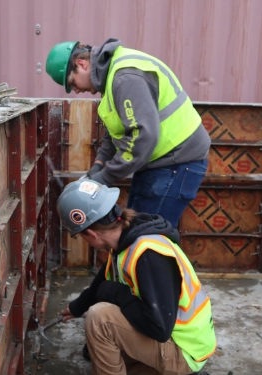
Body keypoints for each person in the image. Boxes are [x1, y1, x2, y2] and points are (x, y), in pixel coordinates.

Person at [56, 179, 216, 375]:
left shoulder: (148, 254)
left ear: (91, 233)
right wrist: (78, 306)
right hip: (178, 338)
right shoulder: (126, 238)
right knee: (98, 344)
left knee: (100, 319)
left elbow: (159, 329)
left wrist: (113, 292)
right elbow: (103, 279)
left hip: (185, 350)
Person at [46, 38, 211, 228]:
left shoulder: (125, 77)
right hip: (159, 162)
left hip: (178, 162)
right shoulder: (110, 79)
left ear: (81, 64)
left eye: (72, 83)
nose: (76, 91)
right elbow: (115, 131)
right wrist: (99, 164)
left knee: (147, 236)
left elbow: (143, 137)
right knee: (136, 230)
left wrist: (105, 177)